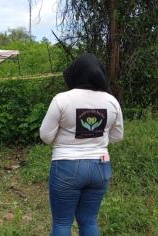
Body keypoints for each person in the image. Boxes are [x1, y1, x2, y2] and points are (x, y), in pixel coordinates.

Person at [39, 53, 124, 236]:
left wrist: (67, 141)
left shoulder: (62, 99)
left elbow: (45, 136)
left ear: (74, 73)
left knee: (62, 223)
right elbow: (117, 137)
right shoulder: (111, 101)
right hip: (100, 167)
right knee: (89, 220)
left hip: (66, 166)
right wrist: (96, 138)